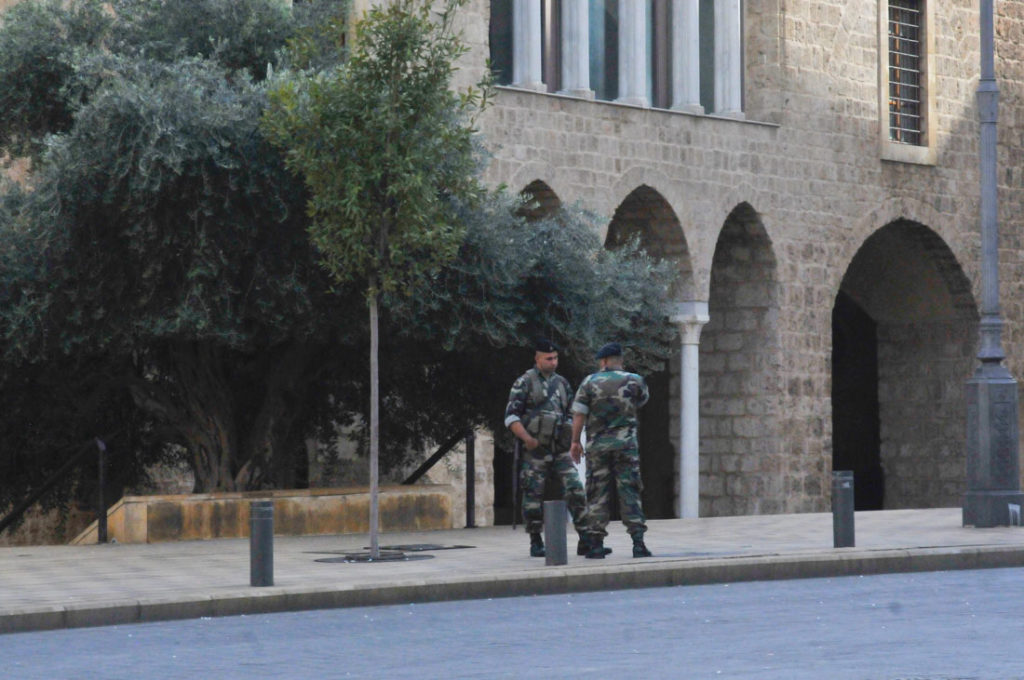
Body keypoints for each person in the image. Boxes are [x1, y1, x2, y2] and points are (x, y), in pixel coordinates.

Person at [505, 338, 594, 557]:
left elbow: (573, 414)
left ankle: (585, 538)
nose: (553, 362)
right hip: (536, 450)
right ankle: (536, 540)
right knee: (533, 495)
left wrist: (575, 441)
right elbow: (511, 417)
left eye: (555, 358)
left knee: (575, 488)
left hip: (559, 449)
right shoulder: (524, 382)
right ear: (537, 358)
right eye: (548, 358)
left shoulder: (562, 384)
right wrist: (527, 438)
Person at [570, 342, 652, 559]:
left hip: (597, 447)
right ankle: (638, 543)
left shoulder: (589, 382)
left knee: (597, 493)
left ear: (604, 361)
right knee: (630, 491)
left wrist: (575, 442)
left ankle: (596, 544)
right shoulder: (635, 381)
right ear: (620, 360)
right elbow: (642, 401)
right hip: (626, 446)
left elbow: (579, 414)